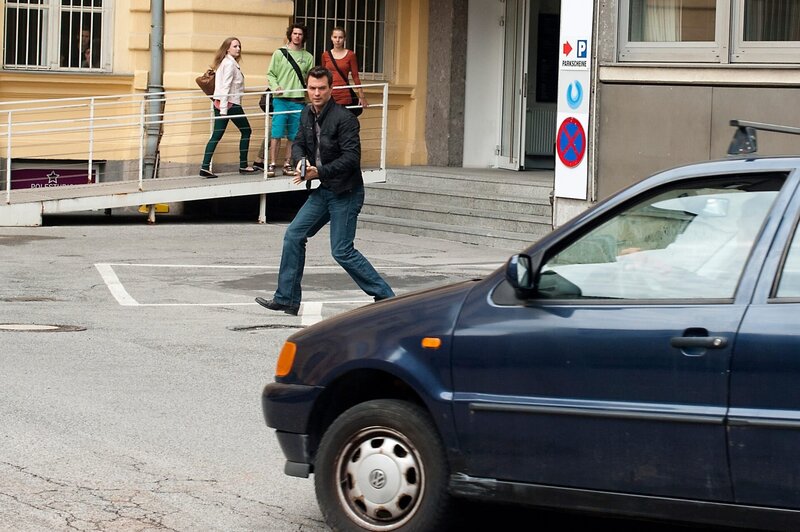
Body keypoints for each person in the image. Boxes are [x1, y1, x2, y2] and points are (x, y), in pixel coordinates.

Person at [255, 66, 394, 315]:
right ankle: (286, 299)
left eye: (321, 88)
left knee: (341, 250)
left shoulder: (345, 118)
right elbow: (298, 143)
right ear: (307, 89)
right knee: (294, 235)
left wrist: (319, 172)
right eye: (312, 88)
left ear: (331, 89)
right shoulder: (307, 113)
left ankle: (385, 297)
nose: (316, 93)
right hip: (325, 190)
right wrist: (300, 162)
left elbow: (352, 158)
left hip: (347, 192)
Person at [255, 24, 313, 178]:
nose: (297, 36)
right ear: (290, 35)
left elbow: (310, 78)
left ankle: (288, 163)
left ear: (303, 36)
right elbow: (271, 73)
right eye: (295, 33)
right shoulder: (279, 53)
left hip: (298, 99)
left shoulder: (308, 56)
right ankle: (272, 163)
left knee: (294, 135)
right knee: (276, 133)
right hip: (280, 99)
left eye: (300, 34)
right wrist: (275, 87)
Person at [199, 37, 256, 178]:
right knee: (246, 131)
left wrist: (221, 108)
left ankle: (205, 167)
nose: (238, 49)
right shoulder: (230, 64)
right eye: (235, 46)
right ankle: (243, 165)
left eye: (239, 46)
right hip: (230, 104)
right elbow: (225, 87)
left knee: (216, 135)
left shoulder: (225, 63)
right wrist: (224, 110)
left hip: (222, 104)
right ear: (227, 48)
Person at [321, 26, 368, 114]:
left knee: (343, 121)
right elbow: (323, 75)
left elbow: (355, 76)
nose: (337, 40)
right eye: (335, 37)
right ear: (331, 38)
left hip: (344, 93)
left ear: (344, 39)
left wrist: (361, 96)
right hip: (329, 93)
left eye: (340, 37)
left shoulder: (350, 55)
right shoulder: (325, 55)